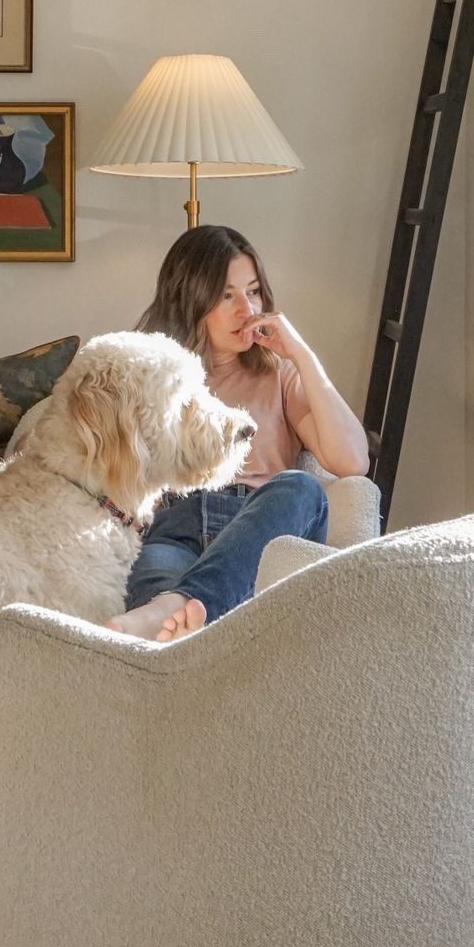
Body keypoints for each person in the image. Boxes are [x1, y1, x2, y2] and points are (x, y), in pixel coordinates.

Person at [108, 224, 369, 642]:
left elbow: (352, 461)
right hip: (176, 525)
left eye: (253, 291)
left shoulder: (279, 373)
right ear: (190, 299)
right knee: (163, 640)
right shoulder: (156, 378)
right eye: (226, 295)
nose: (246, 310)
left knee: (302, 489)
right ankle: (181, 617)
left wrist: (302, 356)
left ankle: (178, 606)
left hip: (258, 527)